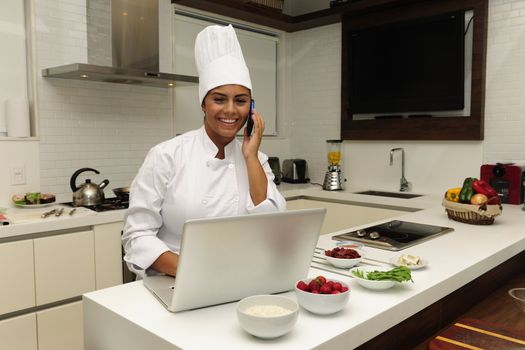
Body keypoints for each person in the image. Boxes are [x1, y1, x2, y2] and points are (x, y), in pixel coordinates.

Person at [122, 25, 286, 278]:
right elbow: (137, 235)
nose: (231, 110)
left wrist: (251, 156)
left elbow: (273, 225)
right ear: (203, 104)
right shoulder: (167, 155)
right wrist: (193, 270)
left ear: (251, 109)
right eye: (219, 99)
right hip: (175, 280)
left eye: (241, 101)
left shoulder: (256, 159)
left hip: (240, 275)